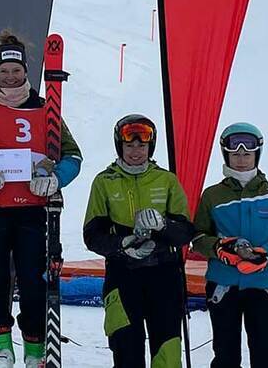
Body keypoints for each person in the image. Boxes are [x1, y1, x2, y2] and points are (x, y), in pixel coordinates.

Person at [0, 31, 83, 368]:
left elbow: (73, 156)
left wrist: (57, 178)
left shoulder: (47, 110)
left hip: (33, 210)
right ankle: (0, 344)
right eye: (4, 71)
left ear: (26, 72)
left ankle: (35, 346)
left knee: (33, 280)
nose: (10, 77)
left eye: (16, 71)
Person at [83, 114, 194, 368]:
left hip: (164, 276)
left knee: (167, 352)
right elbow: (92, 236)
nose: (136, 151)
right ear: (119, 146)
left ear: (150, 147)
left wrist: (163, 225)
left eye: (141, 146)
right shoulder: (104, 182)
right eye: (129, 145)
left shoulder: (167, 180)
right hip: (123, 277)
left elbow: (186, 231)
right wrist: (123, 245)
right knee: (126, 351)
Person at [191, 122, 268, 368]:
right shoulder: (212, 196)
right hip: (223, 285)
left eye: (247, 154)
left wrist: (266, 254)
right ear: (226, 154)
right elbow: (197, 238)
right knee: (225, 355)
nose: (241, 159)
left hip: (264, 285)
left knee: (266, 355)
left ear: (256, 155)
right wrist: (219, 247)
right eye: (235, 154)